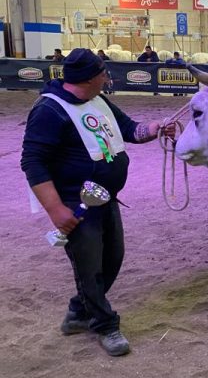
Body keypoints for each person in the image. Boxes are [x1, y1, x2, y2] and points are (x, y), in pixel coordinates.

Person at [20, 48, 175, 357]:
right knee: (89, 268)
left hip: (104, 198)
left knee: (112, 259)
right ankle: (104, 324)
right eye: (103, 72)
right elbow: (32, 162)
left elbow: (129, 129)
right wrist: (55, 209)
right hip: (75, 202)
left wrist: (155, 128)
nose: (107, 76)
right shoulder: (49, 111)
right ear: (90, 78)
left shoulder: (98, 100)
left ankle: (78, 312)